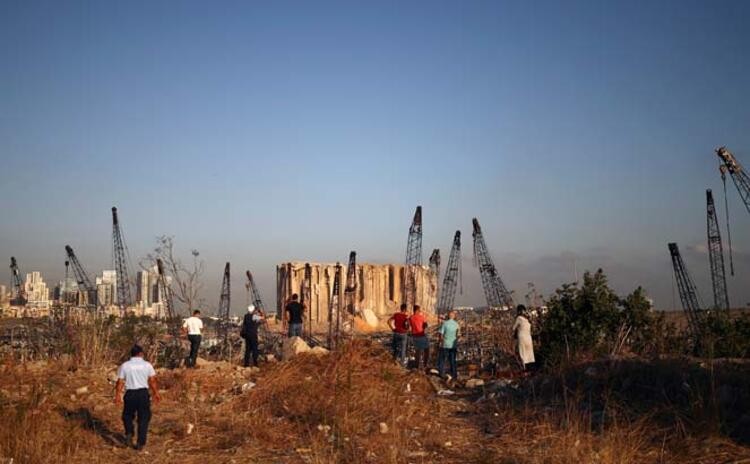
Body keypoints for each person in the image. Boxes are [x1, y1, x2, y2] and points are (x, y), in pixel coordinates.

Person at [114, 345, 161, 450]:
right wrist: (156, 393)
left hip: (130, 393)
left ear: (131, 354)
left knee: (127, 415)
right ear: (140, 353)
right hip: (143, 394)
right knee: (144, 417)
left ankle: (129, 432)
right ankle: (140, 442)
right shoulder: (147, 365)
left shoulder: (125, 365)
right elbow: (152, 381)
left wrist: (117, 395)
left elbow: (120, 382)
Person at [437, 310, 460, 381]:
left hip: (445, 345)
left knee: (442, 360)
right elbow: (458, 335)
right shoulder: (457, 324)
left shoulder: (445, 323)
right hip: (453, 346)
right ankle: (454, 375)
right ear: (454, 316)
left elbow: (441, 334)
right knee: (452, 360)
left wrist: (440, 342)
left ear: (448, 316)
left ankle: (441, 374)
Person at [512, 305, 535, 370]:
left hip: (522, 338)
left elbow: (513, 328)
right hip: (529, 338)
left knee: (523, 354)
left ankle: (525, 368)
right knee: (530, 354)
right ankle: (531, 368)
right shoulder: (528, 318)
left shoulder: (519, 318)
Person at [409, 305, 429, 370]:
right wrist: (424, 327)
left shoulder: (411, 317)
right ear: (417, 310)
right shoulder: (421, 317)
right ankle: (425, 365)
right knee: (427, 350)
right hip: (421, 335)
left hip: (414, 336)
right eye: (419, 310)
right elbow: (426, 325)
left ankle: (417, 366)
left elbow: (407, 325)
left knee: (417, 351)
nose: (420, 311)